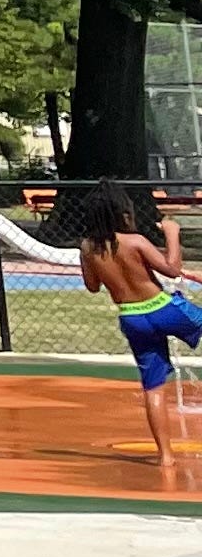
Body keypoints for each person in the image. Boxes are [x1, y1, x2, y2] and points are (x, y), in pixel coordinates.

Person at [76, 187, 201, 470]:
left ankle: (165, 457)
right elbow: (171, 269)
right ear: (123, 214)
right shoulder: (135, 242)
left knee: (153, 387)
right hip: (162, 308)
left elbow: (93, 287)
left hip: (132, 318)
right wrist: (172, 232)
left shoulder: (87, 248)